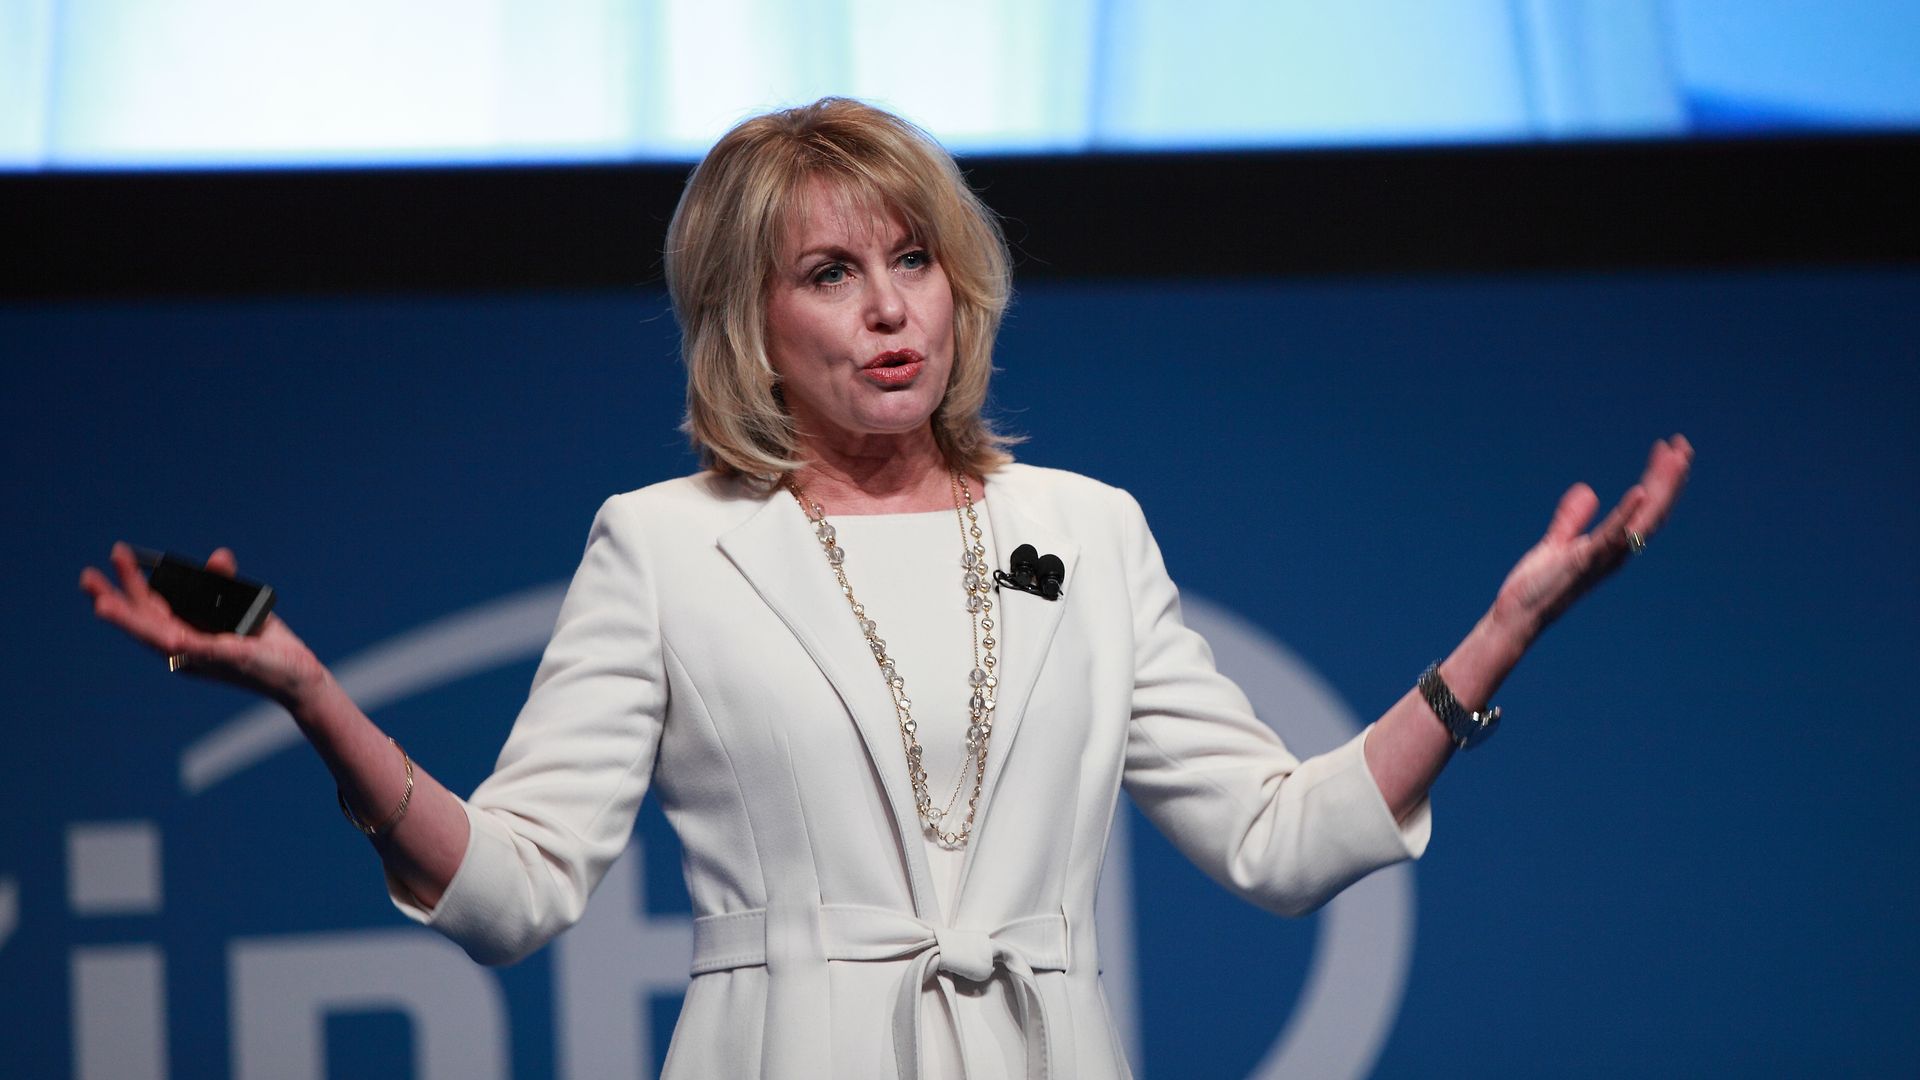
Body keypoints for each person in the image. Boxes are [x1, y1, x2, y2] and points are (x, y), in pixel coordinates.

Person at [81, 97, 1692, 1079]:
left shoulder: (1089, 524)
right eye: (829, 274)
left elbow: (1277, 842)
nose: (887, 311)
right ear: (749, 322)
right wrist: (310, 693)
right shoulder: (666, 546)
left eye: (910, 259)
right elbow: (509, 895)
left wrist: (1501, 637)